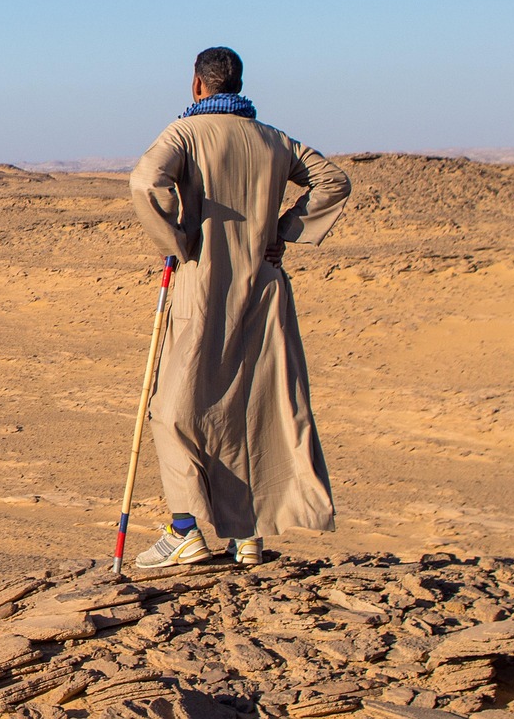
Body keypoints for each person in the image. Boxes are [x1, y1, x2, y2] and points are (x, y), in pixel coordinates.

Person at [127, 46, 352, 568]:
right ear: (239, 83)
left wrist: (178, 241)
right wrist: (284, 231)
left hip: (204, 285)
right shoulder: (275, 139)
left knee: (173, 409)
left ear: (196, 85)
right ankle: (246, 535)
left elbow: (144, 180)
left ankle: (184, 528)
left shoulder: (184, 134)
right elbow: (334, 180)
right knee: (256, 407)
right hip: (265, 288)